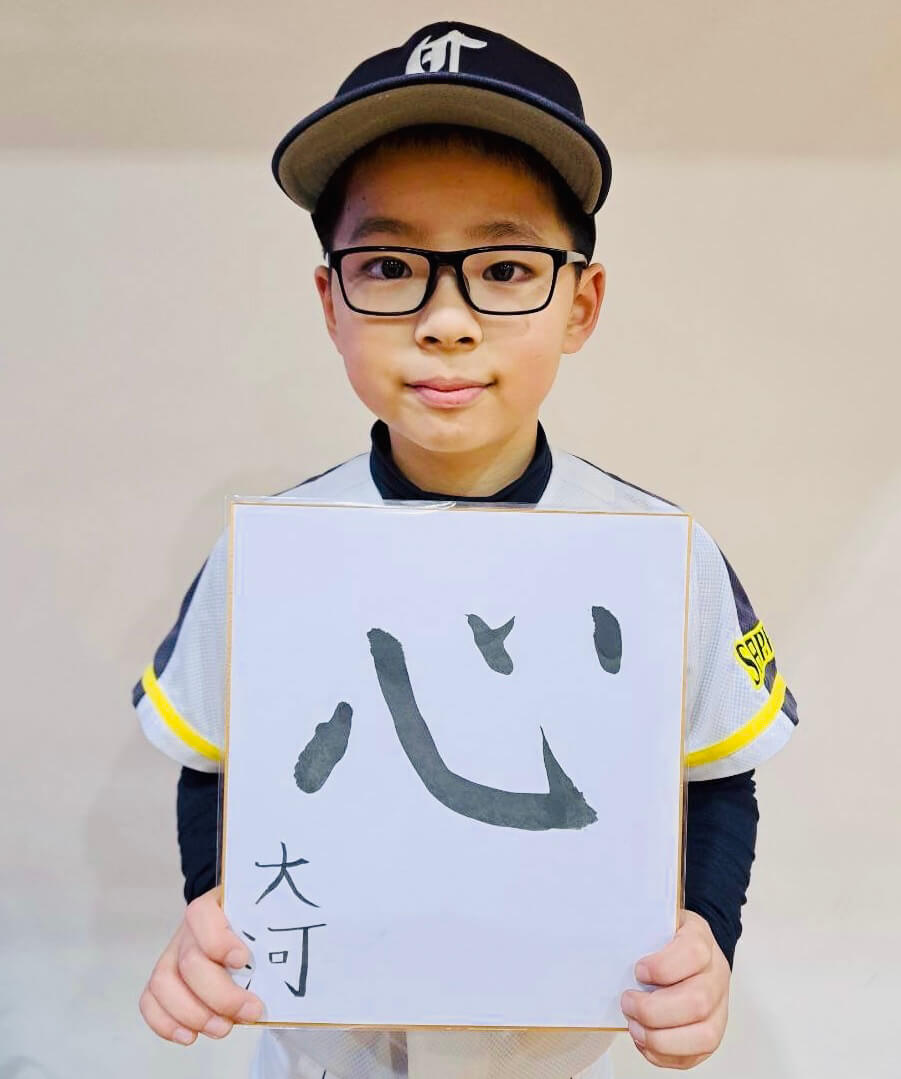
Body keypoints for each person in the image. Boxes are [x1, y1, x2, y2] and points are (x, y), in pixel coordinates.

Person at [132, 20, 798, 1079]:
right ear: (330, 302)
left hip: (547, 1054)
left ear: (580, 302)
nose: (445, 320)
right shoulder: (268, 552)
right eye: (390, 265)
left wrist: (707, 935)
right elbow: (216, 760)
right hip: (324, 1054)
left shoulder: (661, 555)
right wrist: (207, 908)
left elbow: (716, 774)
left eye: (504, 266)